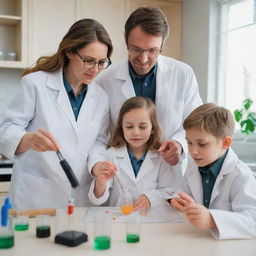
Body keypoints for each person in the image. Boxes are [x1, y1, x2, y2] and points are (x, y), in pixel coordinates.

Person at [0, 19, 113, 209]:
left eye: (102, 62)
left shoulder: (101, 97)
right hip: (36, 197)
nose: (95, 69)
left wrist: (98, 165)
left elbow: (98, 142)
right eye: (88, 61)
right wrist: (27, 139)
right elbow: (6, 130)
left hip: (80, 198)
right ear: (69, 51)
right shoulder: (35, 84)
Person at [95, 6, 202, 171]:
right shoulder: (105, 80)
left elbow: (194, 123)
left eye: (152, 50)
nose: (144, 59)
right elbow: (99, 136)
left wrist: (180, 144)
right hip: (124, 173)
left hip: (170, 171)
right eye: (136, 49)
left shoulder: (183, 74)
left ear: (162, 45)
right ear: (126, 41)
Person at [170, 103, 256, 239]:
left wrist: (212, 219)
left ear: (225, 143)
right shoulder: (194, 166)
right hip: (199, 239)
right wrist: (177, 200)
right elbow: (182, 193)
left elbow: (253, 221)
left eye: (202, 144)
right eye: (189, 142)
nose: (193, 151)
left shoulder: (241, 175)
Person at [88, 97, 182, 209]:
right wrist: (101, 182)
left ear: (152, 128)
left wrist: (151, 198)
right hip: (119, 220)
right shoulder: (111, 155)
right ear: (121, 127)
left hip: (151, 220)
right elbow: (96, 200)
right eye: (129, 126)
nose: (136, 132)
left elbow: (169, 191)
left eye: (142, 127)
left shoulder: (161, 157)